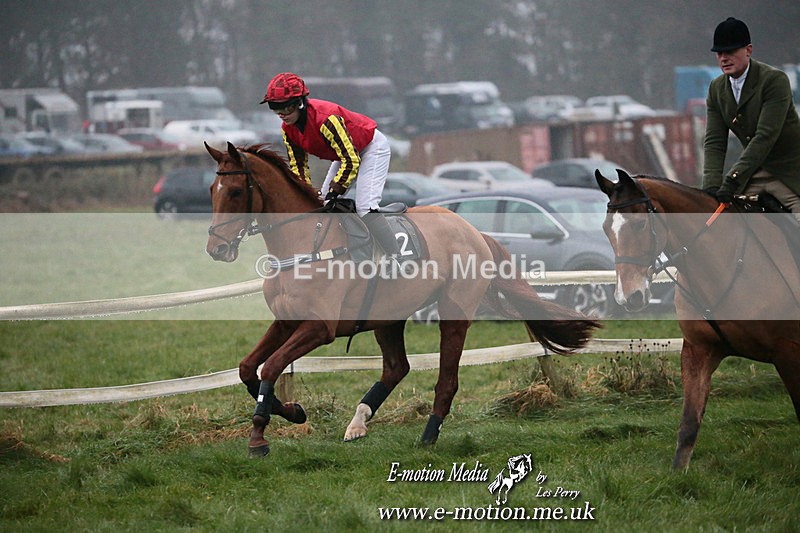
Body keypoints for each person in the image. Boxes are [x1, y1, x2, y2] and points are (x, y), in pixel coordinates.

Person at [259, 72, 403, 265]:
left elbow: (352, 160)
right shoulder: (288, 129)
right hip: (344, 155)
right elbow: (298, 167)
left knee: (365, 207)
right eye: (274, 107)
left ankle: (397, 257)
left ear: (300, 102)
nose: (281, 113)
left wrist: (338, 188)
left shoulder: (326, 119)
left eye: (285, 106)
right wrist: (302, 196)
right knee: (322, 204)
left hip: (370, 147)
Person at [702, 17, 800, 221]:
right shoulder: (716, 89)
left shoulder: (775, 80)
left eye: (730, 52)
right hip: (753, 174)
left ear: (748, 50)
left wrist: (732, 179)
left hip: (790, 174)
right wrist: (711, 186)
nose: (724, 58)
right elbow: (714, 142)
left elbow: (765, 136)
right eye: (720, 53)